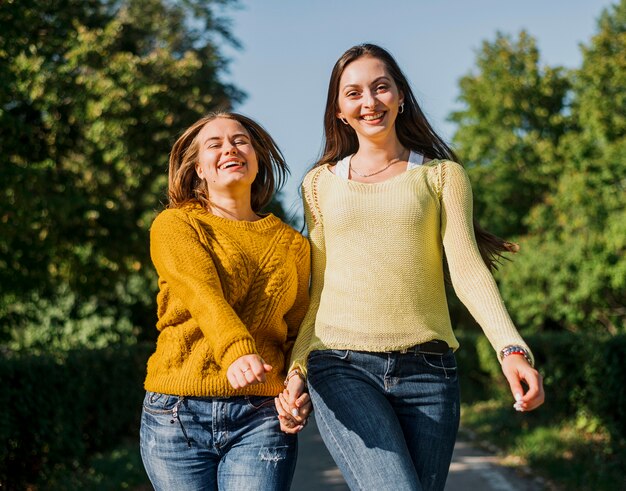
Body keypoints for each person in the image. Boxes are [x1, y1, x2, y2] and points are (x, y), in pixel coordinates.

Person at [277, 44, 545, 491]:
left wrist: (511, 349)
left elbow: (467, 269)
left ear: (400, 95)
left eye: (381, 87)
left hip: (430, 372)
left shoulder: (441, 176)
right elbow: (317, 285)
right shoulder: (319, 183)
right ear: (340, 110)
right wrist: (299, 366)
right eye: (354, 93)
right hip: (343, 365)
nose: (370, 102)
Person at [139, 112, 311, 491]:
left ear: (258, 158)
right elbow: (201, 292)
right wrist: (236, 350)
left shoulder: (294, 246)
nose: (229, 149)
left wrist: (300, 380)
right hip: (176, 414)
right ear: (198, 168)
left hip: (262, 416)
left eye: (240, 141)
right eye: (214, 144)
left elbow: (301, 330)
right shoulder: (175, 225)